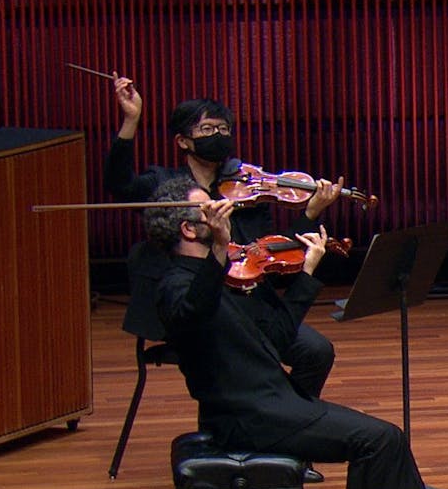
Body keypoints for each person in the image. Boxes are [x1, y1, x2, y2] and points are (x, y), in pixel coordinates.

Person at [146, 176, 448, 489]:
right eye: (209, 207)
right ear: (190, 228)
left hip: (273, 401)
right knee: (380, 439)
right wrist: (217, 251)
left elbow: (281, 337)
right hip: (245, 416)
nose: (222, 208)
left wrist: (305, 274)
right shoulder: (176, 285)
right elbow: (192, 314)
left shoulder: (232, 271)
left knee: (384, 439)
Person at [105, 74, 340, 400]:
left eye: (223, 129)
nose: (218, 135)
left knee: (316, 351)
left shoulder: (247, 189)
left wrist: (311, 212)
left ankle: (285, 419)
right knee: (249, 356)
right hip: (192, 307)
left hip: (245, 304)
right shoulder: (167, 185)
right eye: (207, 130)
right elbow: (120, 186)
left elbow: (269, 251)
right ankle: (268, 418)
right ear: (183, 141)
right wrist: (131, 120)